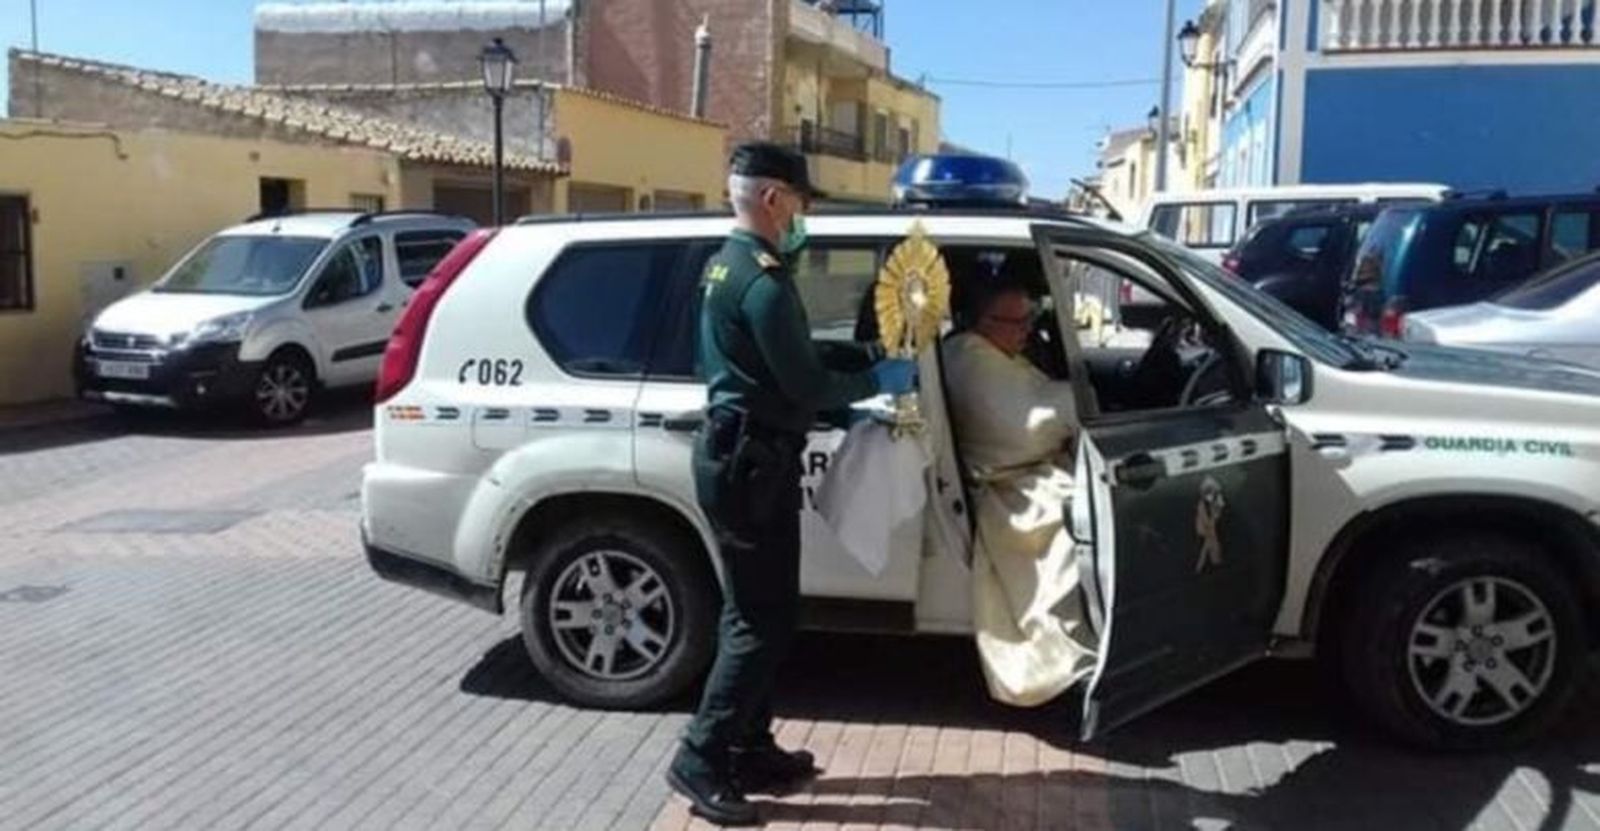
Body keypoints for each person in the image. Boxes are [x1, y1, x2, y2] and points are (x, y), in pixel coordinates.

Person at [667, 141, 918, 826]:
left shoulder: (729, 266)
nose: (804, 213)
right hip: (750, 462)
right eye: (801, 200)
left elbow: (781, 362)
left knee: (759, 612)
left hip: (743, 455)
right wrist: (875, 380)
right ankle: (701, 754)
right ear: (773, 197)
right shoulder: (764, 280)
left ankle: (749, 744)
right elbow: (803, 383)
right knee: (760, 619)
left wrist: (853, 361)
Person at [940, 263, 1097, 708]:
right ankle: (1062, 663)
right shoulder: (971, 356)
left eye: (1030, 319)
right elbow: (1022, 426)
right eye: (1016, 322)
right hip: (1006, 485)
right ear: (981, 321)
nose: (1027, 331)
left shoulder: (990, 349)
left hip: (1026, 470)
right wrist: (1075, 408)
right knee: (1074, 529)